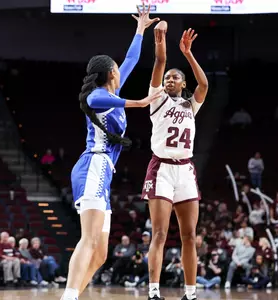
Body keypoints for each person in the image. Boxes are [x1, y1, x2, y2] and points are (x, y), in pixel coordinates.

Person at [61, 6, 161, 300]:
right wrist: (142, 102)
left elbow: (131, 58)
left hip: (104, 173)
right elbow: (96, 98)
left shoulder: (114, 94)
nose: (122, 68)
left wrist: (141, 29)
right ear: (110, 73)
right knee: (89, 239)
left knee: (101, 253)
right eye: (117, 67)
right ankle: (69, 296)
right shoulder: (98, 97)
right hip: (92, 166)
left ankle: (75, 294)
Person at [141, 25, 208, 300]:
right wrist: (161, 43)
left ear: (183, 84)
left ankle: (190, 293)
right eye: (168, 77)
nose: (170, 79)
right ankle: (154, 291)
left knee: (190, 235)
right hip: (161, 169)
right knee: (159, 233)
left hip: (185, 171)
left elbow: (204, 85)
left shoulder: (191, 105)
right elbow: (159, 62)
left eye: (175, 77)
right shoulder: (157, 100)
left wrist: (189, 55)